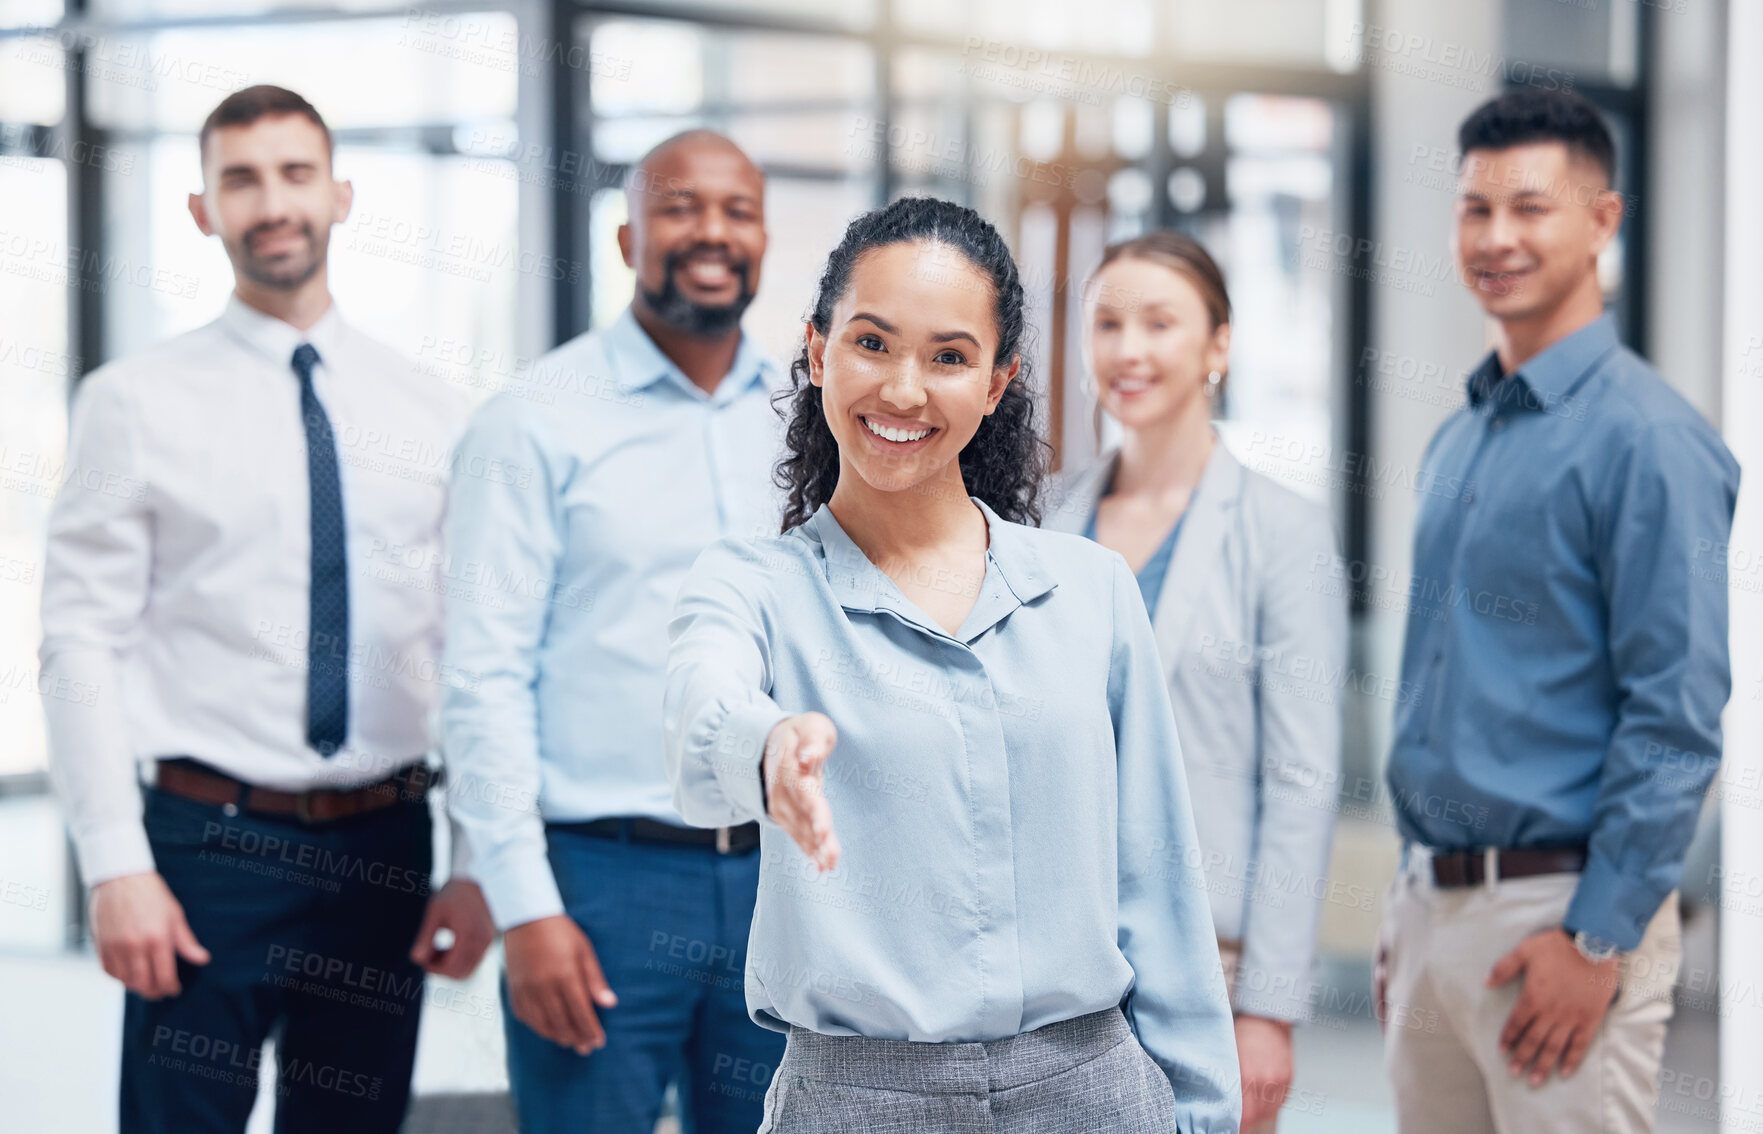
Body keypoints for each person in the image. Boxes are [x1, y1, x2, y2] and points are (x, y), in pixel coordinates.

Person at [663, 196, 1240, 1134]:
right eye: (872, 343)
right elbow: (701, 707)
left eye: (948, 357)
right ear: (817, 351)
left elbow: (1159, 877)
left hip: (1092, 1091)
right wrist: (767, 746)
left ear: (998, 379)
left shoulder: (1089, 590)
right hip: (856, 1101)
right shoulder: (754, 586)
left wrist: (1204, 1116)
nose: (902, 390)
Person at [38, 85, 494, 1134]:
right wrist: (114, 864)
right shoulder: (134, 402)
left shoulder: (429, 411)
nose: (271, 202)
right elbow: (80, 643)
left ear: (339, 195)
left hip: (384, 845)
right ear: (203, 209)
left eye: (294, 174)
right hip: (207, 848)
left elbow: (471, 649)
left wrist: (474, 864)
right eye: (239, 179)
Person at [1375, 88, 1739, 1133]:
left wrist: (1597, 940)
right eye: (1473, 209)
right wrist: (1415, 916)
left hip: (1559, 916)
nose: (1495, 237)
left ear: (1601, 220)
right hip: (1433, 910)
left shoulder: (1647, 440)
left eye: (1528, 207)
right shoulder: (1461, 438)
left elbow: (1675, 708)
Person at [441, 130, 786, 1134]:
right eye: (682, 208)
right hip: (601, 884)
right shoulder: (535, 420)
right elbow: (481, 676)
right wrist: (524, 904)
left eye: (737, 211)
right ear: (630, 234)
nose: (711, 232)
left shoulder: (808, 415)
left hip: (783, 880)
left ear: (763, 236)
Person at [1045, 231, 1346, 1131]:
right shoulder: (1044, 522)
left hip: (1207, 966)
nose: (1127, 349)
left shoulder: (1281, 531)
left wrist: (1268, 1008)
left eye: (1158, 323)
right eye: (1106, 323)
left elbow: (1301, 780)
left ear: (1218, 346)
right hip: (1055, 962)